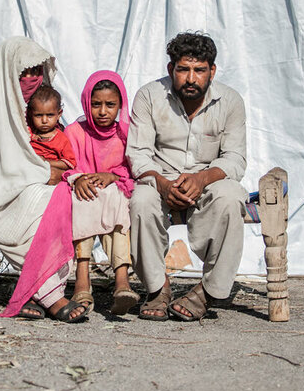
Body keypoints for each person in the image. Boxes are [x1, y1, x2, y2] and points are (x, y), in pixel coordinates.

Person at [0, 37, 88, 322]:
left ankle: (32, 293)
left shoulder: (32, 106)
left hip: (17, 180)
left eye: (37, 71)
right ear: (9, 70)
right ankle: (52, 296)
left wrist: (41, 171)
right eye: (25, 72)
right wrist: (42, 172)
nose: (32, 78)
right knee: (41, 200)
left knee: (58, 198)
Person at [126, 32, 247, 321]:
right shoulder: (149, 96)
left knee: (231, 197)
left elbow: (235, 159)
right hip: (161, 179)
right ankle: (158, 288)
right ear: (171, 69)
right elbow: (138, 155)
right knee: (141, 200)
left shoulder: (230, 101)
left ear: (212, 71)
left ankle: (207, 292)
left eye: (199, 70)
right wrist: (163, 184)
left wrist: (203, 179)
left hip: (209, 182)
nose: (191, 78)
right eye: (183, 69)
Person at [64, 71, 141, 315]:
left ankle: (121, 280)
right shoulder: (75, 132)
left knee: (116, 198)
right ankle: (82, 279)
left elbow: (133, 168)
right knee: (85, 198)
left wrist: (112, 176)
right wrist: (78, 179)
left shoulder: (124, 134)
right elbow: (66, 165)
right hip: (83, 195)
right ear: (87, 103)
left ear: (120, 105)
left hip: (115, 197)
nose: (103, 111)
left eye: (110, 105)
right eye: (96, 104)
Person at [27, 85, 77, 172]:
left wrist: (46, 162)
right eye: (38, 115)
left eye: (50, 115)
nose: (44, 120)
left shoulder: (61, 139)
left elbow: (70, 163)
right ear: (31, 114)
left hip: (51, 173)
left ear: (59, 114)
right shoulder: (28, 133)